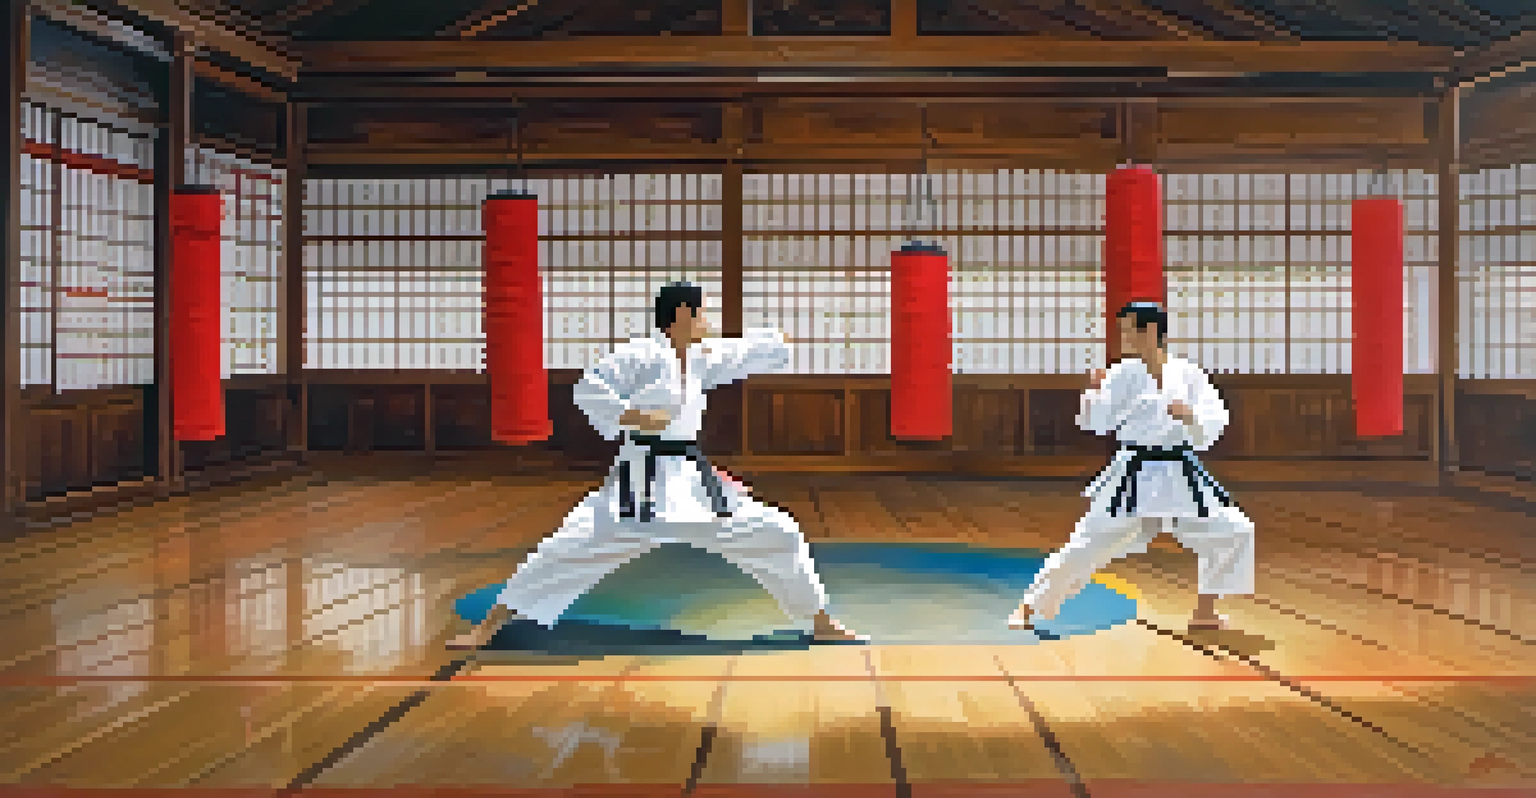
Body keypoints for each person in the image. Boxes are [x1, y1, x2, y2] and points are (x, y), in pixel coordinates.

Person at [449, 282, 866, 649]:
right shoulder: (640, 355)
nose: (707, 320)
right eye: (702, 311)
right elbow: (588, 390)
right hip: (640, 484)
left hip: (693, 485)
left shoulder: (699, 356)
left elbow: (746, 349)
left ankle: (820, 621)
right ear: (683, 312)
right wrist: (633, 416)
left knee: (779, 531)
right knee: (567, 547)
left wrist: (787, 337)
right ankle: (489, 626)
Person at [1008, 301, 1256, 633]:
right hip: (1135, 473)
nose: (1124, 337)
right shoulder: (1122, 373)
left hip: (1179, 471)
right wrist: (1094, 394)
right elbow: (1098, 424)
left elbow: (1215, 419)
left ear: (1151, 330)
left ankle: (1205, 612)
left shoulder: (1188, 373)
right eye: (1122, 330)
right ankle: (1029, 606)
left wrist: (1191, 417)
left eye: (1129, 329)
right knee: (1089, 541)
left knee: (1233, 530)